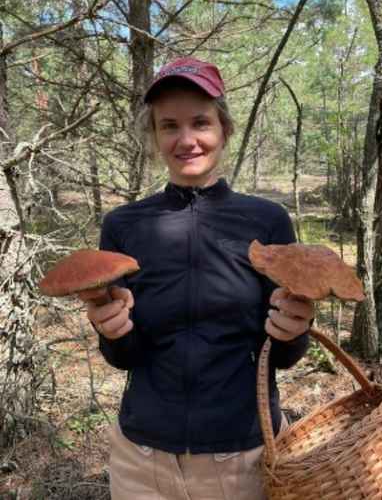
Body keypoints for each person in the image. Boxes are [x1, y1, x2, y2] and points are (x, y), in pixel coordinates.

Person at [79, 57, 314, 500]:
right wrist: (109, 330)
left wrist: (296, 330)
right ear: (154, 137)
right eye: (169, 126)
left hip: (241, 456)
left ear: (224, 129)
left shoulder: (266, 221)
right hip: (140, 459)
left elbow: (283, 355)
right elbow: (124, 357)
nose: (186, 140)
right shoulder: (125, 225)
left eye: (200, 122)